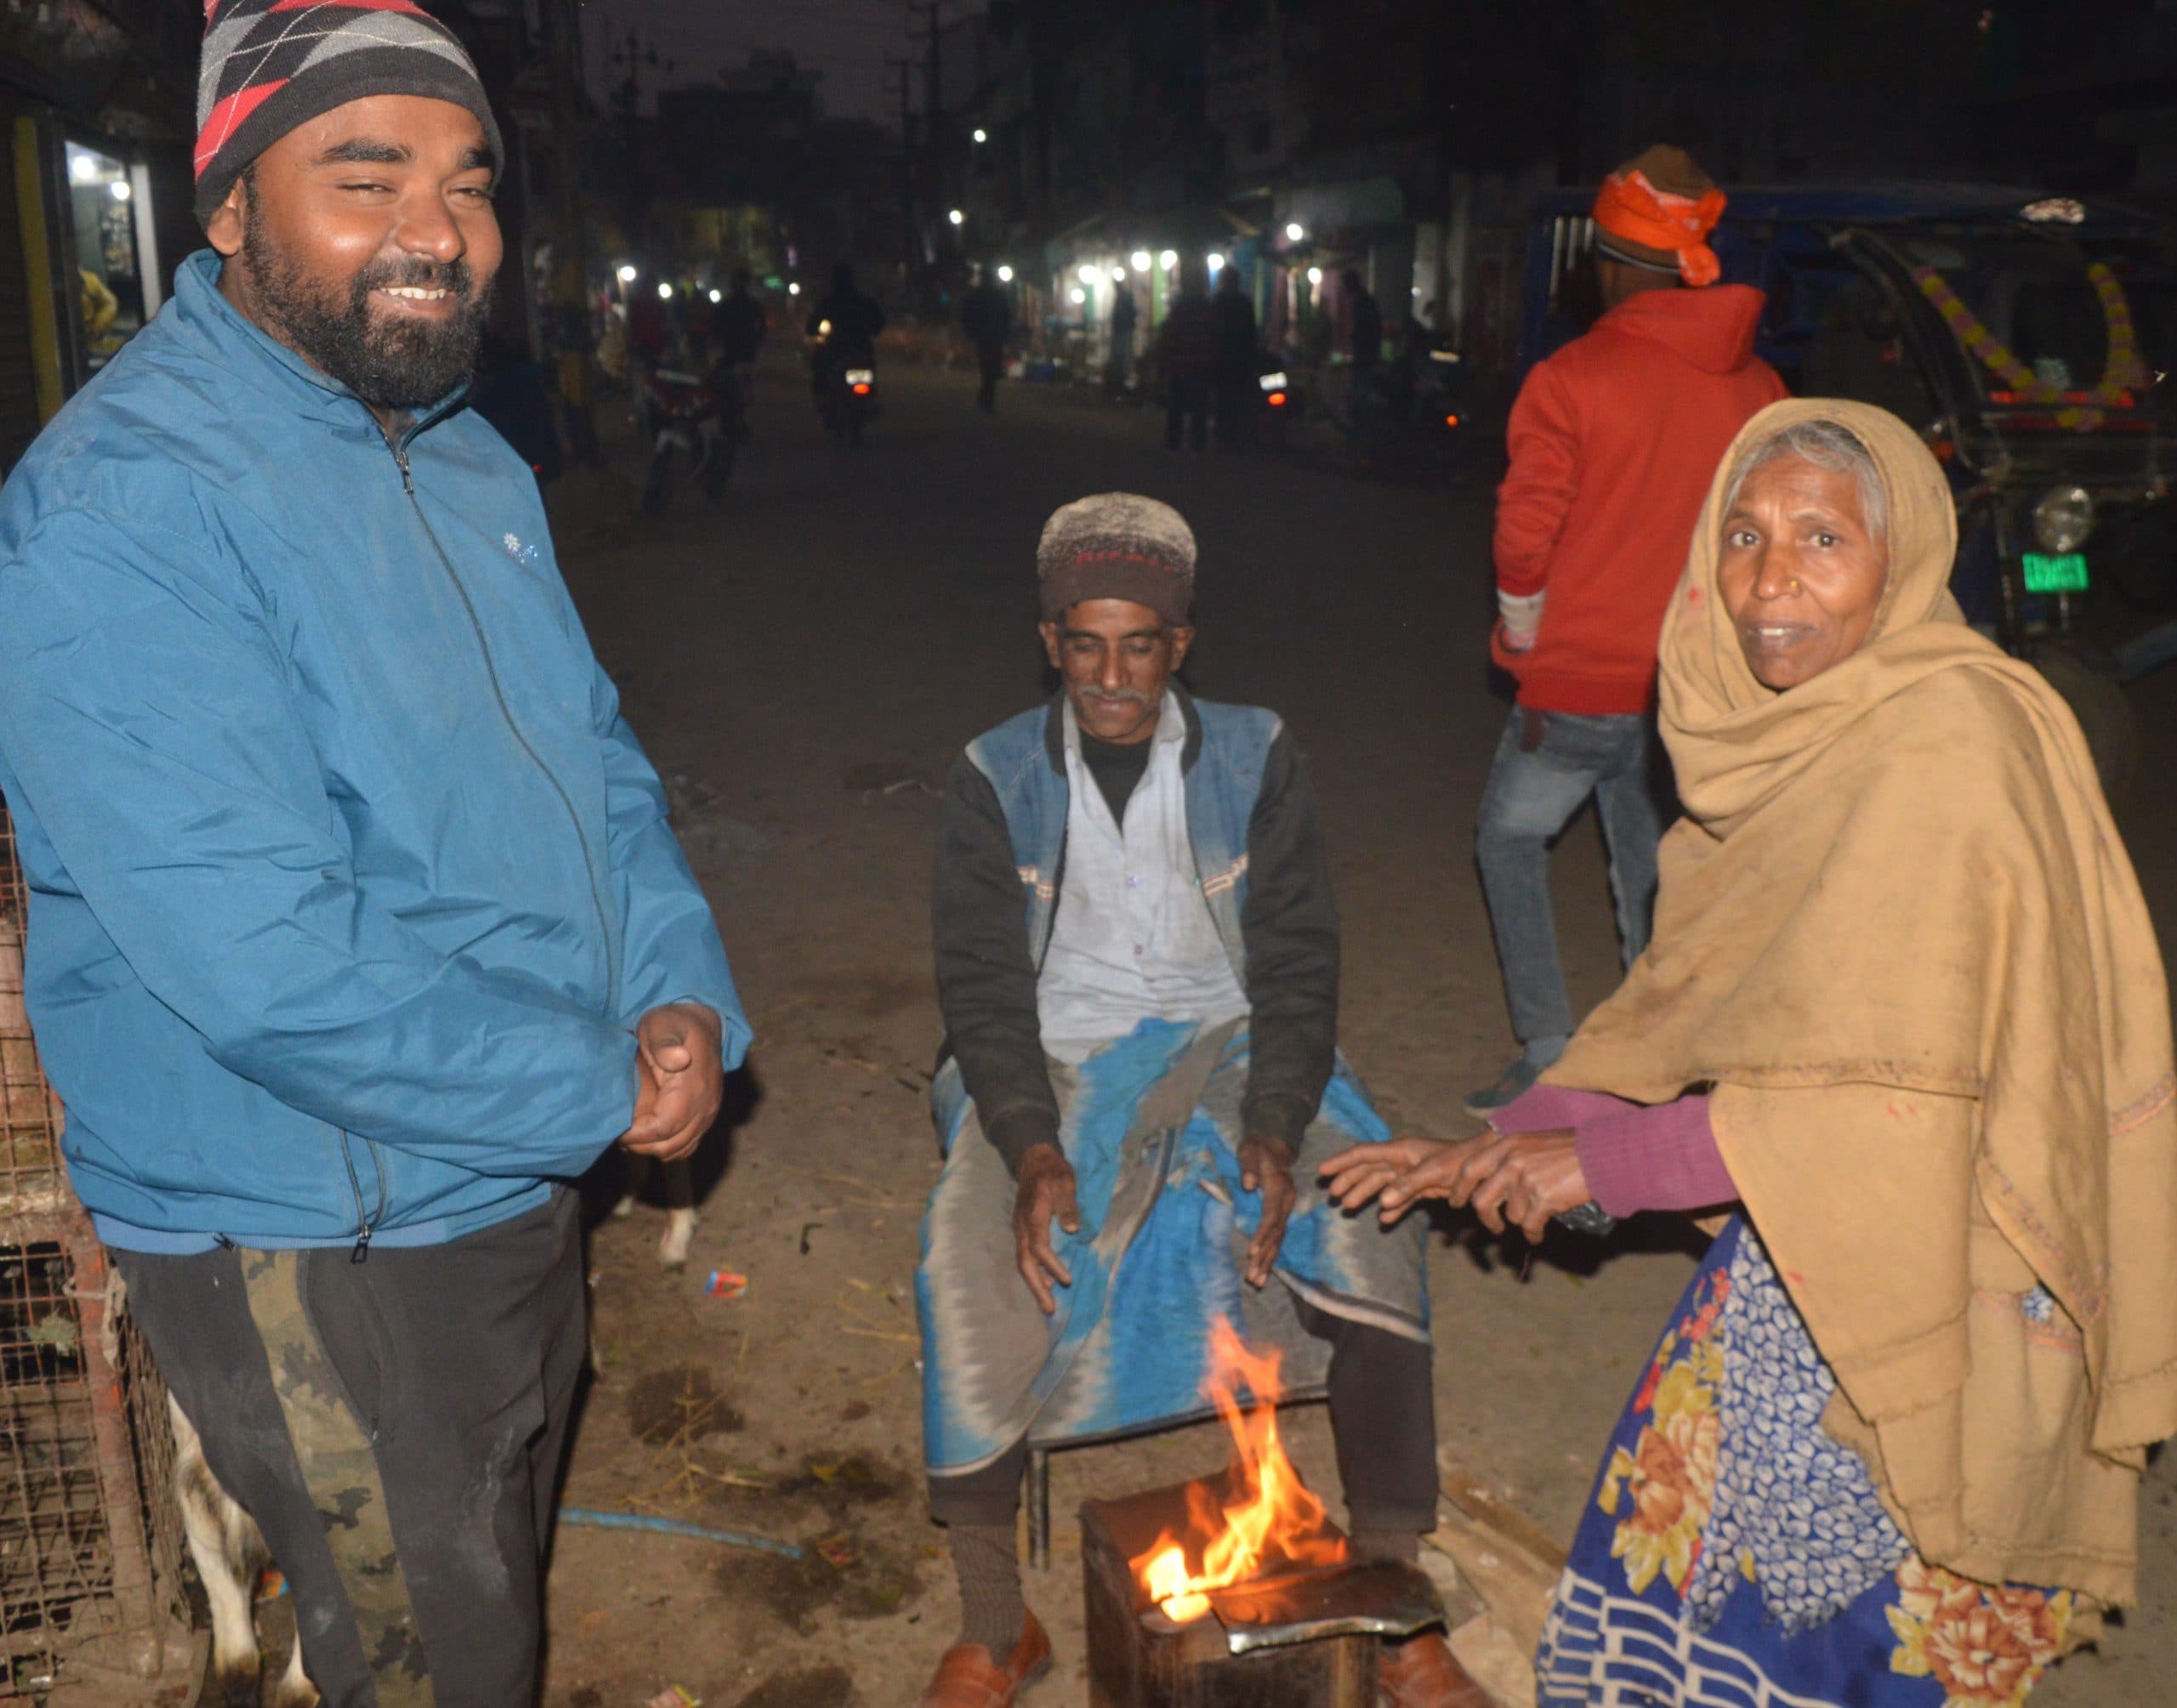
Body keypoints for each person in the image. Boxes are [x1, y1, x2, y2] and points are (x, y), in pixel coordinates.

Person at [0, 3, 751, 1699]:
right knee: (434, 1654)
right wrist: (596, 1079)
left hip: (506, 1158)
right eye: (365, 177)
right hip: (318, 1229)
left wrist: (680, 993)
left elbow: (594, 763)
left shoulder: (464, 452)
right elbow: (266, 958)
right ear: (229, 206)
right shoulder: (126, 503)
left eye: (467, 182)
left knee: (489, 1573)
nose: (438, 230)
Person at [1329, 400, 2177, 1706]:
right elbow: (1700, 1013)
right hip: (1801, 1245)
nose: (1769, 579)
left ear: (1900, 559)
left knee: (1848, 1630)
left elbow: (1897, 1102)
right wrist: (1495, 1149)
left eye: (1822, 537)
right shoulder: (1804, 740)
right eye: (1742, 534)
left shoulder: (1953, 748)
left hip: (1945, 1273)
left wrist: (1599, 1165)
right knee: (1690, 1579)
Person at [915, 496, 1478, 1707]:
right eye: (1084, 645)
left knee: (1367, 1209)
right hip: (1056, 1053)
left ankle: (1395, 1600)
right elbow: (981, 989)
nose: (1111, 678)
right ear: (1049, 641)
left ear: (1181, 644)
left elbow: (1298, 958)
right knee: (967, 1259)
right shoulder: (993, 774)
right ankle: (995, 1623)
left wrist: (1273, 1120)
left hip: (1233, 1036)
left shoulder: (1253, 754)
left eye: (1140, 647)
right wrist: (1030, 1146)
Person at [1469, 145, 1787, 1115]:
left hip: (1579, 680)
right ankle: (1658, 1060)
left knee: (1507, 841)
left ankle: (1547, 1049)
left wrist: (1522, 632)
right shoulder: (1762, 388)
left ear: (1607, 263)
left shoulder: (1573, 375)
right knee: (1651, 868)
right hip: (1694, 688)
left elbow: (1525, 533)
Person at [1157, 261, 1219, 452]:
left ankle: (1174, 442)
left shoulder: (1181, 309)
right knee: (1197, 407)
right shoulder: (1207, 309)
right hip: (1198, 364)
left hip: (1183, 364)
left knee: (1178, 406)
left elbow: (1169, 336)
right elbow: (1214, 337)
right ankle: (1196, 443)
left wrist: (1167, 360)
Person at [806, 259, 885, 395]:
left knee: (820, 369)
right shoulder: (863, 302)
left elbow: (812, 325)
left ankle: (824, 396)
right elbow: (879, 322)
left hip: (837, 349)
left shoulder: (829, 303)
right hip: (860, 349)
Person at [1212, 263, 1259, 447]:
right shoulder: (1242, 303)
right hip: (1234, 359)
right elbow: (1251, 333)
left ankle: (1227, 435)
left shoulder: (1219, 303)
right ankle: (1231, 434)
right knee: (1233, 398)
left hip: (1228, 359)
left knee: (1227, 398)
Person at [961, 264, 1014, 412]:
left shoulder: (992, 295)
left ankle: (986, 395)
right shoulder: (985, 295)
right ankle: (987, 397)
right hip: (987, 335)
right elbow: (967, 315)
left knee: (991, 367)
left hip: (991, 335)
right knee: (988, 367)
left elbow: (1006, 316)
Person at [1344, 268, 1383, 376]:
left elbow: (1366, 327)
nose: (1344, 288)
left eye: (1346, 284)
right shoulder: (1362, 300)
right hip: (1366, 349)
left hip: (1365, 349)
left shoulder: (1362, 302)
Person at [1106, 276, 1138, 394]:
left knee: (1121, 354)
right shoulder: (1122, 297)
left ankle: (1120, 377)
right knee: (1120, 354)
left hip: (1122, 329)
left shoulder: (1123, 297)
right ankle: (1119, 377)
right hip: (1122, 329)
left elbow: (1129, 312)